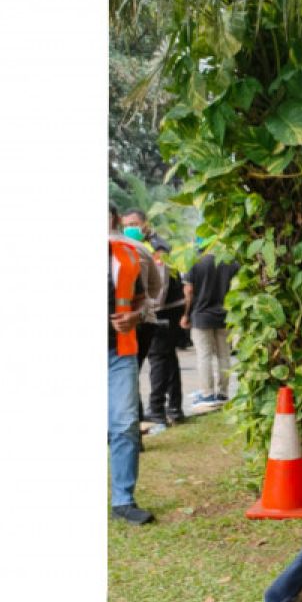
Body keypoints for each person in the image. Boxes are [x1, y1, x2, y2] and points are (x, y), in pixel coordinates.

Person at [108, 204, 154, 525]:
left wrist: (134, 316)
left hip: (119, 352)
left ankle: (123, 500)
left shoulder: (128, 254)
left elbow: (146, 298)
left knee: (124, 423)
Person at [121, 209, 185, 429]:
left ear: (145, 223)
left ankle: (156, 410)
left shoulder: (158, 246)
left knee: (158, 358)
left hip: (165, 308)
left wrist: (150, 311)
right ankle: (175, 408)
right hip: (160, 306)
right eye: (126, 224)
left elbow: (161, 283)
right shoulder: (141, 244)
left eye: (134, 223)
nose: (129, 227)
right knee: (168, 359)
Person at [180, 248, 239, 413]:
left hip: (201, 316)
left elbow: (189, 292)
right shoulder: (232, 263)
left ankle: (207, 394)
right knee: (224, 355)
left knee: (204, 356)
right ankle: (222, 393)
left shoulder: (196, 262)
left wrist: (185, 315)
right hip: (225, 316)